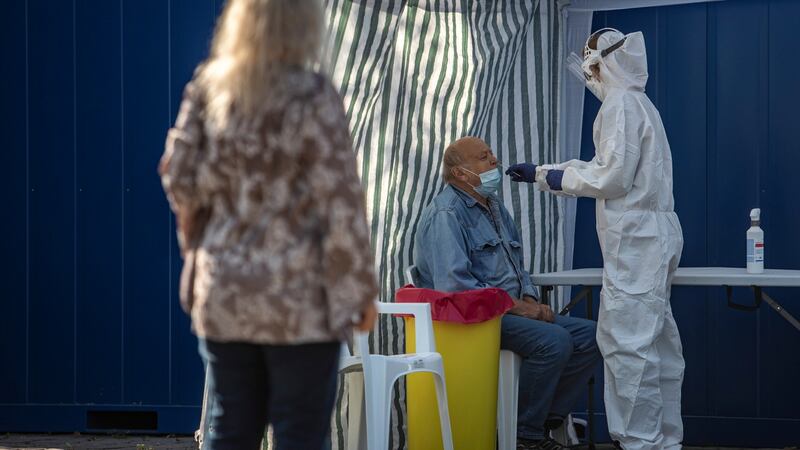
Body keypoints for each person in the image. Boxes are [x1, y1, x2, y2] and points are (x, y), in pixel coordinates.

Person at [158, 1, 378, 449]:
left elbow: (177, 176)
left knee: (232, 427)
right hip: (299, 300)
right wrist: (358, 292)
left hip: (225, 292)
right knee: (299, 433)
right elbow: (341, 204)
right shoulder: (313, 96)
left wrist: (199, 239)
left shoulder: (209, 87)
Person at [507, 29, 685, 450]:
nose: (590, 76)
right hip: (654, 236)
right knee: (657, 345)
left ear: (605, 64)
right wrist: (543, 173)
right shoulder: (642, 105)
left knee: (628, 347)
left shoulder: (621, 105)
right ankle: (664, 442)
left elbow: (611, 177)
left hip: (637, 242)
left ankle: (640, 443)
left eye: (592, 67)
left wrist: (551, 176)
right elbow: (608, 165)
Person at [414, 136, 602, 450]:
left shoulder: (494, 207)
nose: (495, 162)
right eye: (484, 157)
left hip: (509, 312)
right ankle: (526, 438)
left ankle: (543, 420)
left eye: (493, 155)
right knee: (554, 341)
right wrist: (519, 308)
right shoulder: (447, 215)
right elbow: (456, 288)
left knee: (593, 336)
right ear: (461, 174)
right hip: (474, 321)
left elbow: (517, 266)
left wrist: (529, 298)